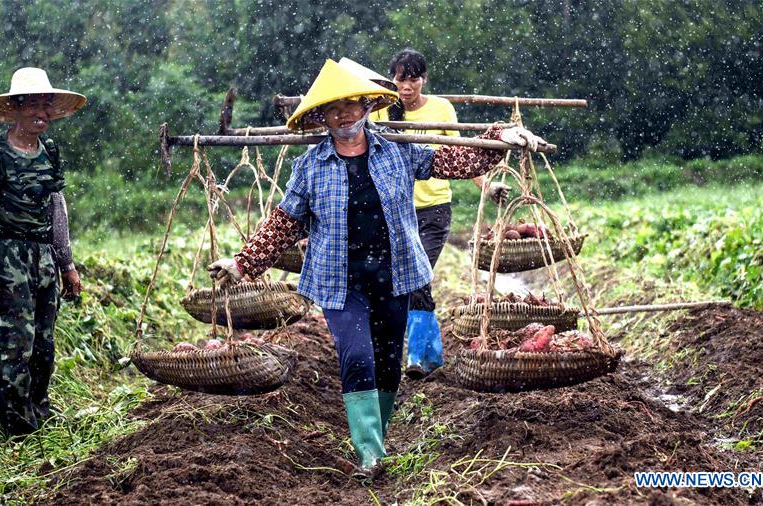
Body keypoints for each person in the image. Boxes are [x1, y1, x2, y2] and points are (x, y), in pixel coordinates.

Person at [208, 59, 543, 472]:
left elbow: (454, 162)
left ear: (367, 106)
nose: (345, 114)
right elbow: (284, 222)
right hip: (340, 282)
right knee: (357, 356)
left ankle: (377, 434)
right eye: (334, 108)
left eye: (353, 105)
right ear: (322, 117)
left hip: (395, 274)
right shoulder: (311, 166)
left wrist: (500, 136)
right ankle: (368, 451)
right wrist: (241, 264)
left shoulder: (397, 151)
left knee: (387, 361)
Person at [372, 49, 509, 379]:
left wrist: (487, 187)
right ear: (392, 79)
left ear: (424, 80)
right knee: (398, 282)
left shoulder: (441, 109)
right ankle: (427, 355)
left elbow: (463, 155)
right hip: (394, 213)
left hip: (434, 211)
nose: (407, 86)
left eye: (414, 79)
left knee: (418, 277)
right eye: (401, 79)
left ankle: (418, 356)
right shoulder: (379, 111)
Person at [0, 67, 86, 436]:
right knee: (13, 344)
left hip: (44, 258)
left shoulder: (49, 150)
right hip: (8, 258)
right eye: (35, 105)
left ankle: (39, 412)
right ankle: (17, 428)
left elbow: (56, 209)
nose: (43, 113)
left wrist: (67, 264)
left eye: (47, 106)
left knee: (43, 344)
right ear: (16, 107)